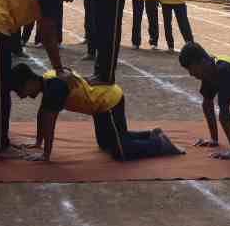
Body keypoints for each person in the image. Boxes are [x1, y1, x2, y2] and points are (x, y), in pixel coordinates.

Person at [0, 0, 84, 158]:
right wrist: (59, 70)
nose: (70, 0)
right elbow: (48, 36)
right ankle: (0, 144)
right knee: (0, 88)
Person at [11, 63, 185, 161]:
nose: (20, 96)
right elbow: (42, 115)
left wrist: (46, 155)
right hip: (99, 106)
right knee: (105, 144)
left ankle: (159, 144)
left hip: (108, 101)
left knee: (121, 152)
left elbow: (50, 123)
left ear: (29, 82)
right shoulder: (48, 80)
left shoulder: (54, 89)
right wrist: (38, 142)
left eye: (20, 91)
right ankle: (151, 134)